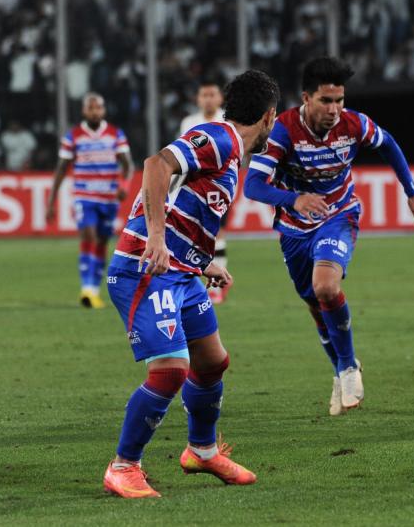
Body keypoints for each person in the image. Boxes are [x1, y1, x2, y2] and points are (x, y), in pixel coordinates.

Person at [101, 70, 280, 498]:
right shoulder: (217, 138)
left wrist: (203, 261)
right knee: (171, 369)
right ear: (269, 116)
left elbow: (188, 204)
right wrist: (158, 241)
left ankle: (201, 450)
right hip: (145, 269)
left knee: (212, 361)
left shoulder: (232, 152)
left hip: (183, 273)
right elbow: (156, 165)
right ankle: (123, 466)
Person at [244, 56, 414, 416]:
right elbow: (253, 185)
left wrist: (411, 190)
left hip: (339, 215)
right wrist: (294, 198)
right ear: (306, 98)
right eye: (326, 101)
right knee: (316, 305)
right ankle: (341, 368)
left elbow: (388, 143)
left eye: (339, 100)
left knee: (326, 287)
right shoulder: (282, 132)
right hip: (295, 229)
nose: (334, 109)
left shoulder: (353, 125)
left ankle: (347, 366)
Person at [47, 94, 132, 308]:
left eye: (98, 108)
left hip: (109, 198)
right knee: (89, 236)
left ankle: (93, 290)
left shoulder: (115, 134)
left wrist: (124, 186)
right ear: (84, 111)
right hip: (84, 196)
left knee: (102, 241)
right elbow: (61, 169)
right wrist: (51, 201)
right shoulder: (73, 136)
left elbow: (128, 165)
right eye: (90, 108)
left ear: (103, 110)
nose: (95, 111)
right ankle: (86, 288)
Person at [176, 82, 230, 304]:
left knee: (217, 232)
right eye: (204, 94)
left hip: (220, 183)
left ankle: (218, 286)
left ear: (220, 98)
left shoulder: (227, 120)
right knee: (194, 234)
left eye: (212, 94)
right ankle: (198, 282)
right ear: (198, 99)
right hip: (194, 185)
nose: (208, 99)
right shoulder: (189, 123)